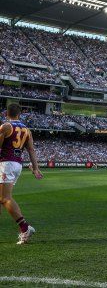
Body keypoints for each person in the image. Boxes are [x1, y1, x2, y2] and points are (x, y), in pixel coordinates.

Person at [0, 103, 43, 245]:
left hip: (6, 163)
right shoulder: (27, 130)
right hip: (17, 164)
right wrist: (35, 168)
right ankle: (24, 229)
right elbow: (31, 150)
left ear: (7, 113)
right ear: (19, 114)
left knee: (5, 198)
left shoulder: (5, 127)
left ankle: (25, 228)